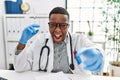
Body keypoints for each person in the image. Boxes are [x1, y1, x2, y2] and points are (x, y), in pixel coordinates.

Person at [14, 7, 104, 74]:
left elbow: (93, 47)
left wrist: (97, 53)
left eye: (63, 25)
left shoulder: (78, 39)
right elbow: (19, 68)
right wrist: (22, 42)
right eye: (53, 24)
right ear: (49, 25)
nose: (57, 30)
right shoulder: (40, 41)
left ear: (68, 26)